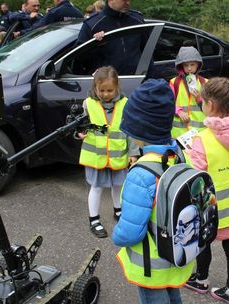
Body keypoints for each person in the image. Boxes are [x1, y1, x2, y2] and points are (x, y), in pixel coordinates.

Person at [112, 79, 194, 304]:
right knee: (172, 294)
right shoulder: (177, 155)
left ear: (138, 129)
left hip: (151, 263)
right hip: (176, 253)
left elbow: (129, 233)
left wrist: (116, 236)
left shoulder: (141, 174)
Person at [184, 77, 229, 304]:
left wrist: (186, 153)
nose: (200, 104)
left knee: (203, 243)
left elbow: (196, 176)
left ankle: (202, 279)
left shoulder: (202, 139)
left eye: (202, 101)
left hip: (212, 206)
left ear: (211, 105)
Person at [77, 66, 139, 238]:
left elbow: (130, 131)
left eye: (110, 90)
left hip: (118, 156)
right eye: (101, 90)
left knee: (118, 185)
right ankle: (94, 219)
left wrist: (133, 153)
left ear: (117, 87)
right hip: (97, 156)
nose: (105, 94)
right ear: (95, 87)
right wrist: (79, 132)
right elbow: (80, 126)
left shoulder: (125, 104)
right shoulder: (88, 104)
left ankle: (118, 211)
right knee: (96, 188)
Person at [76, 0, 145, 75]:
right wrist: (95, 44)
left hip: (139, 79)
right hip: (107, 83)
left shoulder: (137, 20)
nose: (128, 3)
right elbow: (79, 58)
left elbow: (150, 49)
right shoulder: (92, 24)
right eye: (124, 0)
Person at [170, 46, 207, 139]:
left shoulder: (205, 82)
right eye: (186, 65)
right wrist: (179, 112)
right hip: (180, 133)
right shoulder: (174, 82)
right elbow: (168, 102)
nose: (189, 68)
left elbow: (212, 107)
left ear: (198, 65)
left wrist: (199, 98)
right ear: (181, 65)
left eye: (192, 64)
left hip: (200, 133)